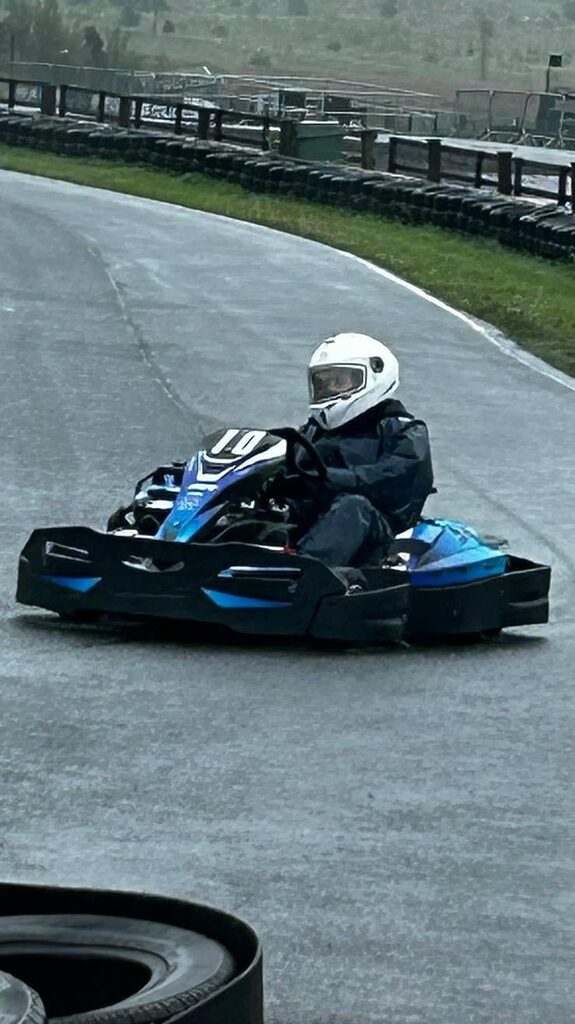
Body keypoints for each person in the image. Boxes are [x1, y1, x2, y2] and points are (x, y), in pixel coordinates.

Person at [281, 332, 434, 569]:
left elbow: (387, 480)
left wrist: (327, 478)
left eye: (340, 381)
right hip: (315, 522)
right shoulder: (314, 430)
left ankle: (301, 577)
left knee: (352, 507)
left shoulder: (404, 432)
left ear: (374, 374)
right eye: (326, 382)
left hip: (378, 539)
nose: (331, 388)